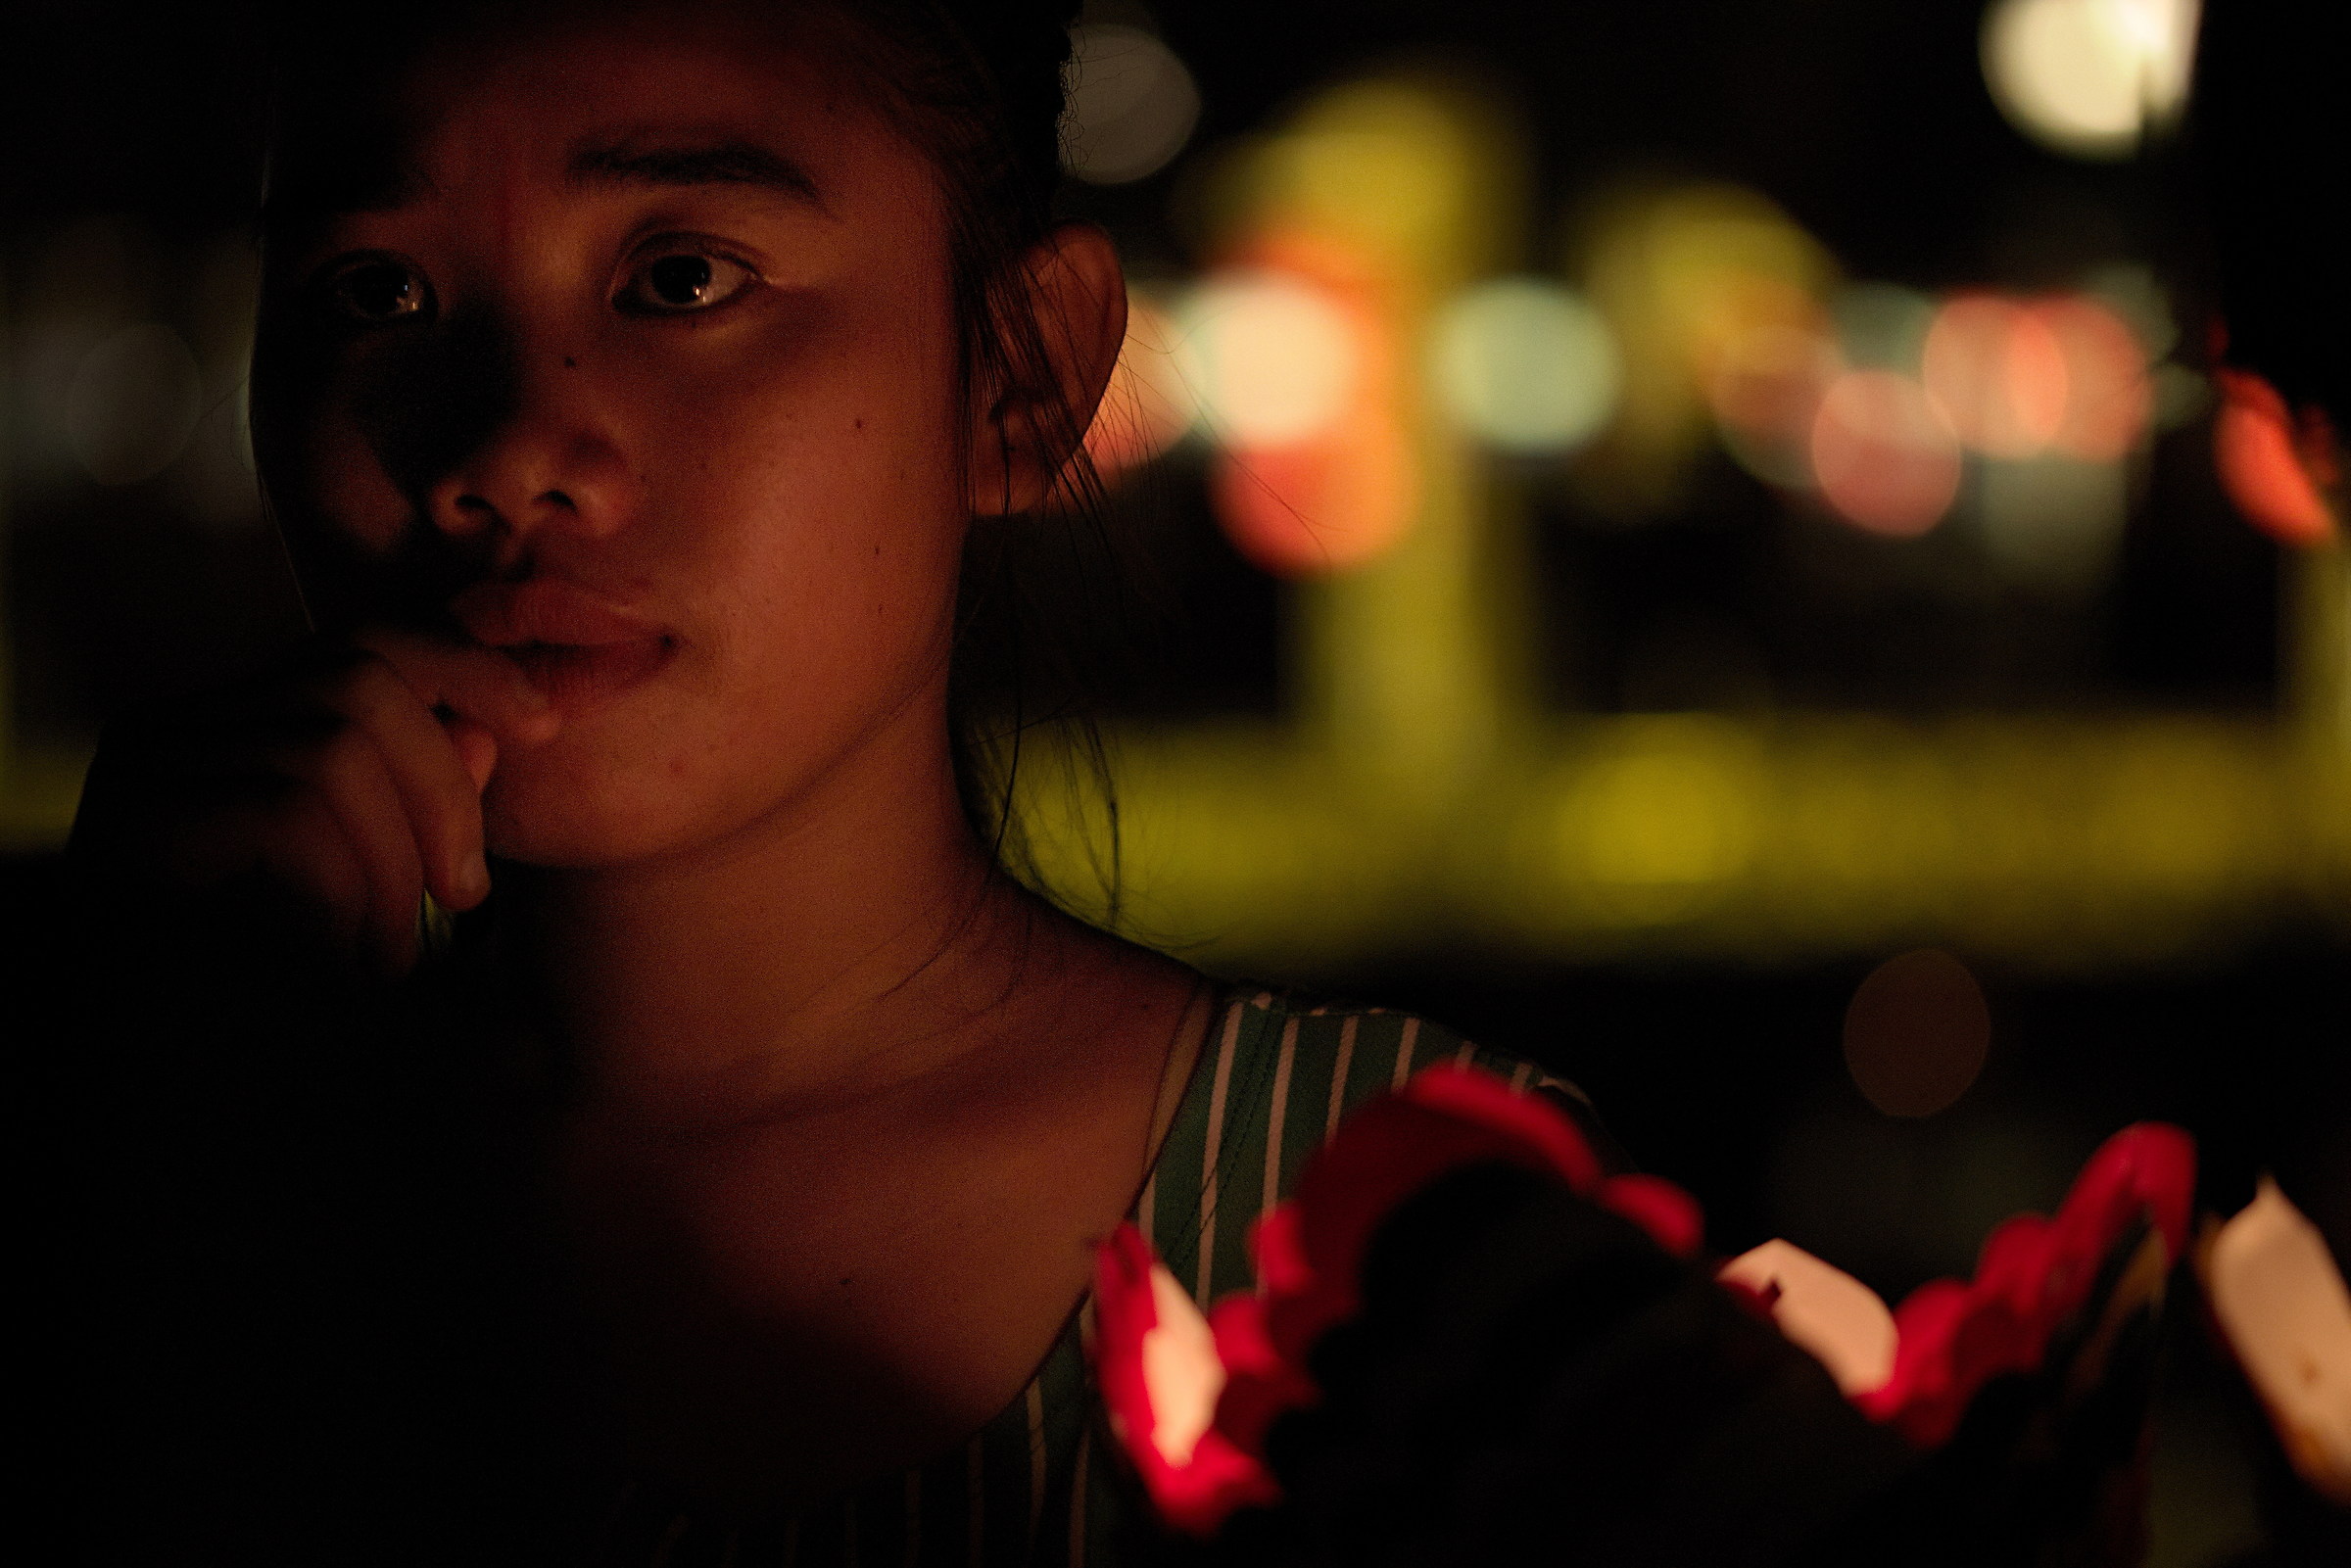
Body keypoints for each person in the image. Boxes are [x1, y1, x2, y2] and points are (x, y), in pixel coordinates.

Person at [50, 3, 1595, 1561]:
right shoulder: (170, 1155)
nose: (509, 446)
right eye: (376, 292)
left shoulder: (1408, 1216)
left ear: (1023, 374)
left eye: (680, 280)